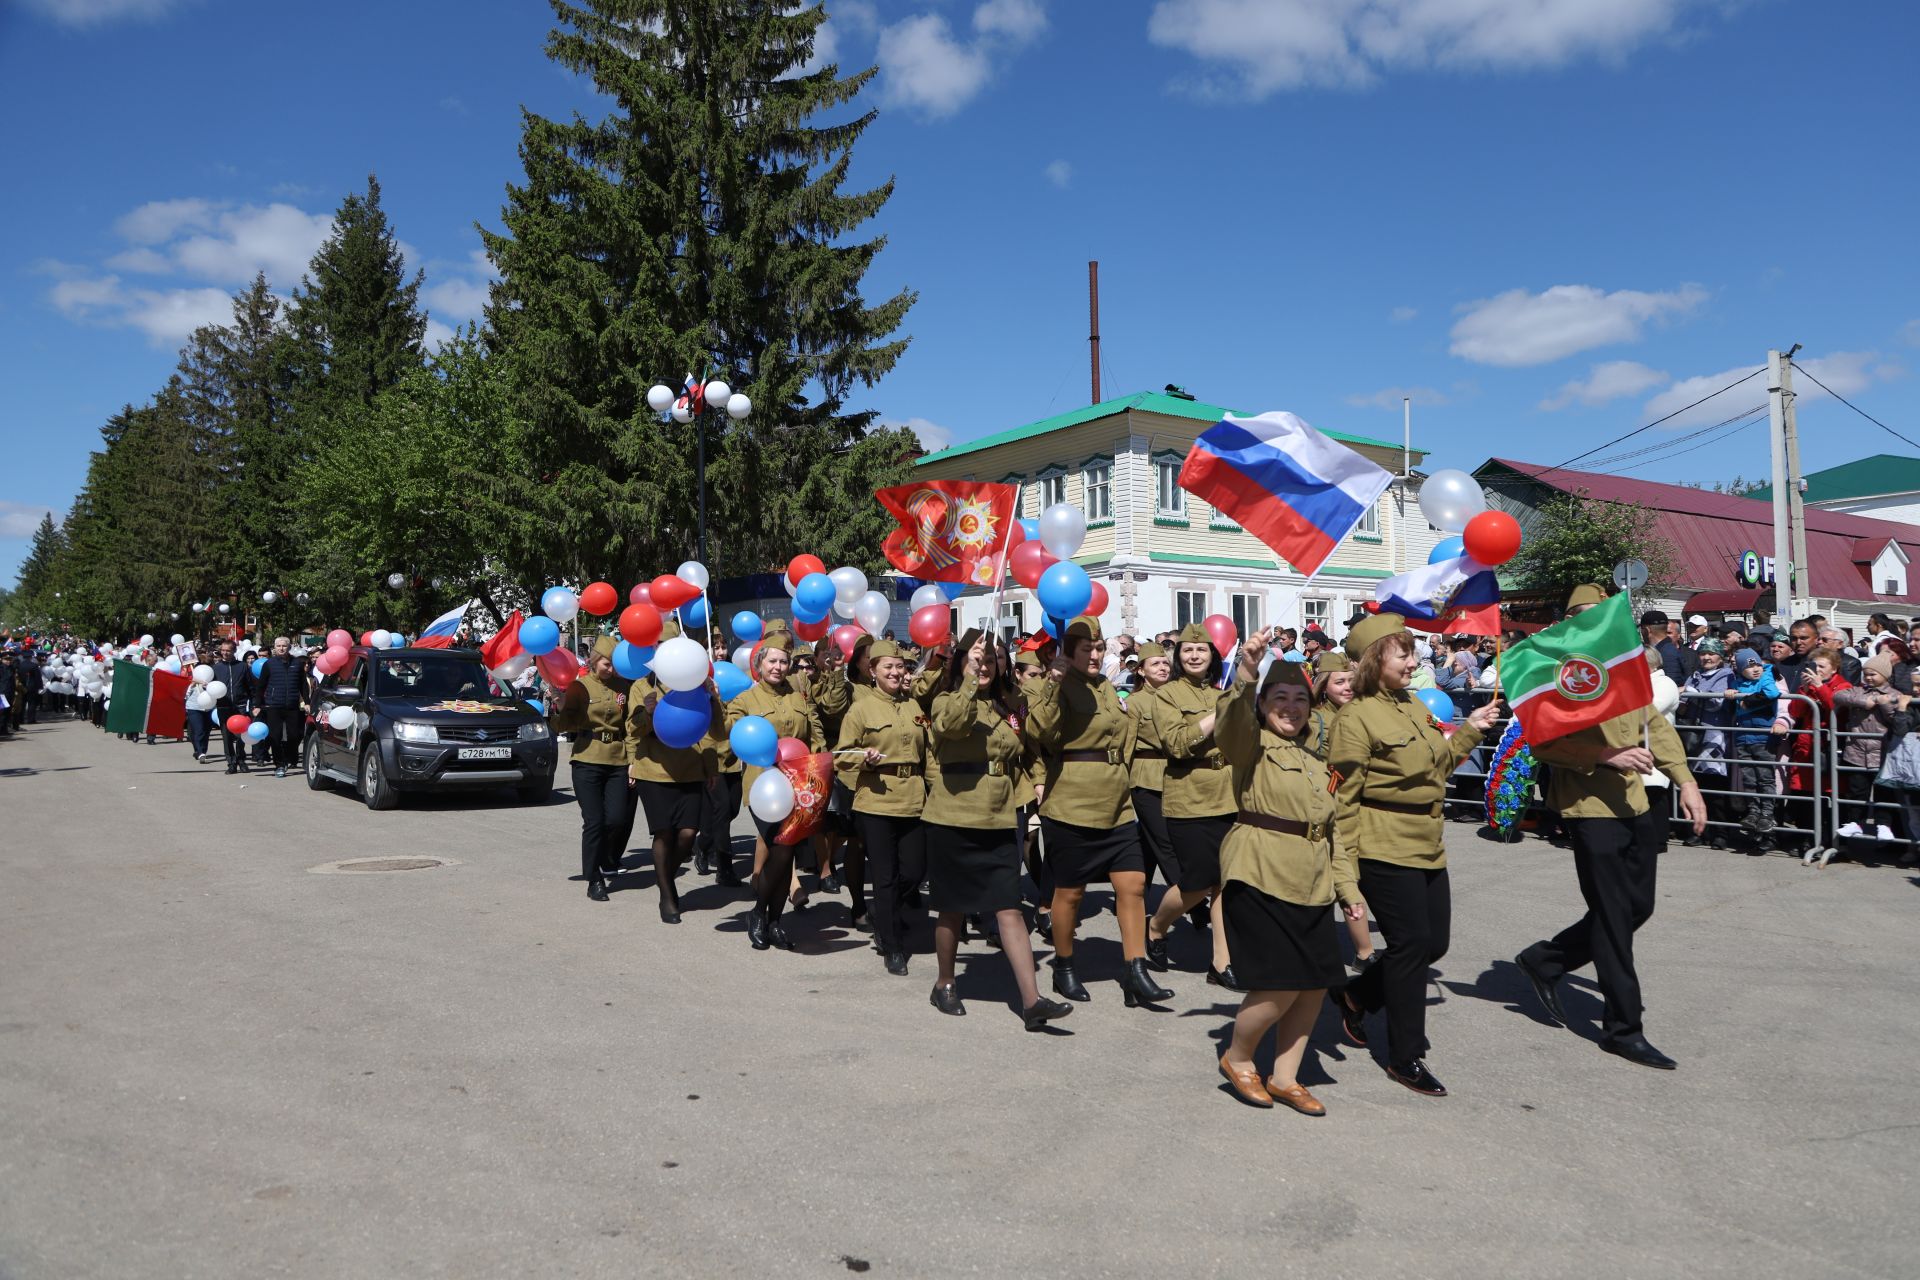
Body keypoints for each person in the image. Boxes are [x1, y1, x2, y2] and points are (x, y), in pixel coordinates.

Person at [1518, 584, 1707, 1072]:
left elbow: (1656, 726)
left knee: (1635, 908)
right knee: (1613, 918)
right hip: (1588, 805)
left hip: (1637, 799)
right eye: (1582, 615)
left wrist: (1686, 780)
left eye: (1599, 614)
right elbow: (1542, 745)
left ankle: (1547, 960)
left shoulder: (1623, 666)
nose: (1594, 623)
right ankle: (1623, 1029)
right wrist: (1603, 754)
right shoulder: (1553, 670)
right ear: (1567, 621)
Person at [1328, 612, 1499, 1097]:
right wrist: (1346, 871)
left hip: (1427, 842)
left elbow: (1437, 764)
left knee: (1433, 944)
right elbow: (1339, 796)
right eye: (1402, 652)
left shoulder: (1413, 706)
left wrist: (1470, 729)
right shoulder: (1354, 718)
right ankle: (1405, 1054)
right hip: (1382, 844)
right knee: (1408, 949)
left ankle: (1356, 996)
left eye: (1412, 651)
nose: (1413, 659)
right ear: (1373, 660)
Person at [1213, 630, 1351, 1114]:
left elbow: (1332, 825)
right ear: (1264, 703)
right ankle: (1239, 1057)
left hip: (1312, 879)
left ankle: (1286, 1077)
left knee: (1314, 982)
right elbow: (1231, 721)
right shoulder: (1250, 743)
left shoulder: (1316, 759)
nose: (1290, 707)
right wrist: (1248, 672)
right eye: (1279, 698)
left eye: (1299, 699)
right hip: (1260, 870)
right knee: (1279, 981)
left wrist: (1345, 886)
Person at [922, 629, 1073, 1028]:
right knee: (952, 908)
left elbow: (1041, 733)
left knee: (1008, 906)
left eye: (990, 660)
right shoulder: (945, 699)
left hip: (1001, 814)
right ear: (960, 663)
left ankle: (1031, 1000)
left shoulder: (1010, 705)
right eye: (976, 660)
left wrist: (1053, 685)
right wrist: (970, 677)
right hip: (954, 815)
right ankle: (945, 983)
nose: (984, 666)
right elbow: (952, 725)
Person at [1025, 616, 1174, 1008]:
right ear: (1069, 652)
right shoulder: (1057, 684)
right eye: (1086, 649)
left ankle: (1135, 970)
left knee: (1133, 885)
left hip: (1117, 801)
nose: (1095, 654)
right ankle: (1065, 965)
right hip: (1073, 800)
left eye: (1099, 647)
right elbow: (1041, 732)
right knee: (1070, 893)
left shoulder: (1107, 686)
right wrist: (1053, 684)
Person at [1143, 623, 1240, 989]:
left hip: (1227, 795)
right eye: (1187, 651)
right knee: (1197, 882)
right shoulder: (1166, 695)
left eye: (1201, 651)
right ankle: (1156, 926)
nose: (1195, 656)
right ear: (1179, 657)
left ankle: (1221, 961)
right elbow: (1177, 744)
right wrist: (1218, 714)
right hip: (1189, 797)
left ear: (1213, 656)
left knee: (1224, 883)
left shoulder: (1222, 693)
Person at [834, 639, 929, 975]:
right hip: (875, 800)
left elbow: (926, 754)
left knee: (915, 871)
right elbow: (842, 756)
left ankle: (882, 911)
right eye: (886, 666)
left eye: (899, 666)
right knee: (885, 876)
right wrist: (866, 760)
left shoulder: (914, 705)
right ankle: (891, 945)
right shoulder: (860, 709)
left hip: (914, 797)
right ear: (872, 671)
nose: (894, 671)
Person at [726, 634, 826, 950]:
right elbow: (728, 730)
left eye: (784, 661)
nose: (779, 667)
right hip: (763, 788)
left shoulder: (798, 696)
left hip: (797, 786)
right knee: (781, 852)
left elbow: (813, 733)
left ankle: (775, 921)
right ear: (759, 664)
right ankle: (758, 914)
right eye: (772, 661)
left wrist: (822, 765)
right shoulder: (745, 700)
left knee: (788, 854)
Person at [627, 623, 726, 924]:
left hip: (689, 769)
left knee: (687, 833)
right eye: (658, 645)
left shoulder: (698, 683)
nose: (661, 650)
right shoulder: (642, 685)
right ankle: (667, 896)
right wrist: (648, 713)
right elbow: (633, 729)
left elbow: (715, 732)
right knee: (664, 832)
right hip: (654, 769)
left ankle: (664, 878)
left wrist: (714, 699)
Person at [551, 636, 638, 902]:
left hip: (618, 760)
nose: (610, 670)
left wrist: (633, 760)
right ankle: (594, 879)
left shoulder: (625, 687)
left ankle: (602, 859)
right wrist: (559, 704)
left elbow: (630, 727)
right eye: (606, 664)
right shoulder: (580, 686)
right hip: (587, 759)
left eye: (613, 665)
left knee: (617, 819)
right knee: (594, 821)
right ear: (593, 661)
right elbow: (562, 726)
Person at [1308, 651, 1373, 967]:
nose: (1347, 686)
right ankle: (1364, 951)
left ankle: (1363, 951)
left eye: (1351, 680)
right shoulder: (1316, 718)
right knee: (1341, 878)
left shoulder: (1363, 713)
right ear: (1323, 686)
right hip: (1331, 806)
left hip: (1364, 806)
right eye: (1340, 681)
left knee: (1353, 878)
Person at [1124, 642, 1179, 895]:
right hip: (1145, 778)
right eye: (1155, 664)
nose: (1162, 668)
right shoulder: (1135, 702)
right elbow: (1127, 746)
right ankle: (1191, 900)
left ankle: (1130, 895)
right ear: (1141, 671)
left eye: (1165, 663)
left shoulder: (1177, 698)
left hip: (1175, 775)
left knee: (1149, 841)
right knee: (1166, 842)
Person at [1832, 650, 1899, 851]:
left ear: (1885, 675)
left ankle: (1883, 824)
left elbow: (1897, 719)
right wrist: (1864, 701)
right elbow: (1839, 695)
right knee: (1857, 791)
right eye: (1866, 674)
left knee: (1883, 792)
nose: (1868, 677)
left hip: (1882, 754)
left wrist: (1885, 705)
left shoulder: (1894, 694)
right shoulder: (1858, 691)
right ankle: (1855, 822)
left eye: (1873, 674)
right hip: (1856, 752)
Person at [1677, 639, 1733, 846]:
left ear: (1720, 656)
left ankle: (1721, 833)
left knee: (1715, 785)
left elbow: (1716, 702)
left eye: (1711, 653)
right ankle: (1698, 831)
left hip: (1714, 735)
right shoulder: (1695, 675)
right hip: (1694, 734)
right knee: (1696, 784)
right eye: (1703, 653)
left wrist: (1692, 693)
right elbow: (1684, 704)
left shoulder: (1726, 674)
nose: (1707, 657)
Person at [1725, 647, 1783, 844]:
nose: (1755, 669)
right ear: (1740, 669)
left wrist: (1747, 702)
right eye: (1749, 667)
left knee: (1765, 777)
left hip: (1762, 736)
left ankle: (1767, 814)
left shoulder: (1766, 676)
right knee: (1749, 777)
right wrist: (1732, 694)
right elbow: (1732, 702)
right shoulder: (1737, 682)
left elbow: (1772, 693)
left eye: (1757, 664)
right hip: (1743, 736)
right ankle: (1753, 811)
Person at [255, 636, 307, 777]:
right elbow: (261, 686)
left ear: (289, 647)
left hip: (292, 705)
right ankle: (279, 764)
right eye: (278, 646)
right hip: (274, 706)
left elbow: (303, 685)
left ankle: (290, 758)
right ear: (275, 648)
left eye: (284, 646)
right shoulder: (269, 664)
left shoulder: (297, 663)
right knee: (274, 737)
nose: (281, 648)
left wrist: (307, 702)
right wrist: (257, 705)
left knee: (295, 736)